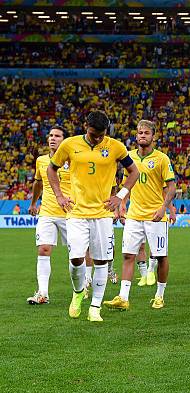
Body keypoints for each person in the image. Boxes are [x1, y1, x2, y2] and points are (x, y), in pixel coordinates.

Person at [47, 110, 139, 322]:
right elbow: (52, 170)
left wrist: (121, 196)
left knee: (101, 262)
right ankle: (78, 293)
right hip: (77, 213)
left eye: (101, 134)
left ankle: (95, 307)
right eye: (93, 134)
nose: (98, 138)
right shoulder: (69, 144)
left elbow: (134, 172)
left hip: (103, 214)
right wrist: (59, 195)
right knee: (76, 258)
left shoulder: (115, 146)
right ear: (85, 126)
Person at [103, 120, 176, 310]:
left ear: (154, 136)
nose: (142, 136)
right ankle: (123, 297)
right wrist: (122, 205)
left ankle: (159, 295)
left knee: (160, 256)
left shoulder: (162, 159)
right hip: (134, 216)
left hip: (155, 216)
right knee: (128, 255)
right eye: (139, 133)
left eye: (146, 133)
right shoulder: (130, 158)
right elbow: (127, 183)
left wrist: (164, 208)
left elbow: (171, 187)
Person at [26, 125, 70, 305]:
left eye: (57, 136)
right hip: (47, 212)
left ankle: (83, 286)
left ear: (64, 140)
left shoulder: (72, 160)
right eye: (51, 135)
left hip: (70, 213)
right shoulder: (41, 160)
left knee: (77, 254)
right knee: (43, 249)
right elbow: (38, 183)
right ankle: (42, 293)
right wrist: (33, 203)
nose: (53, 138)